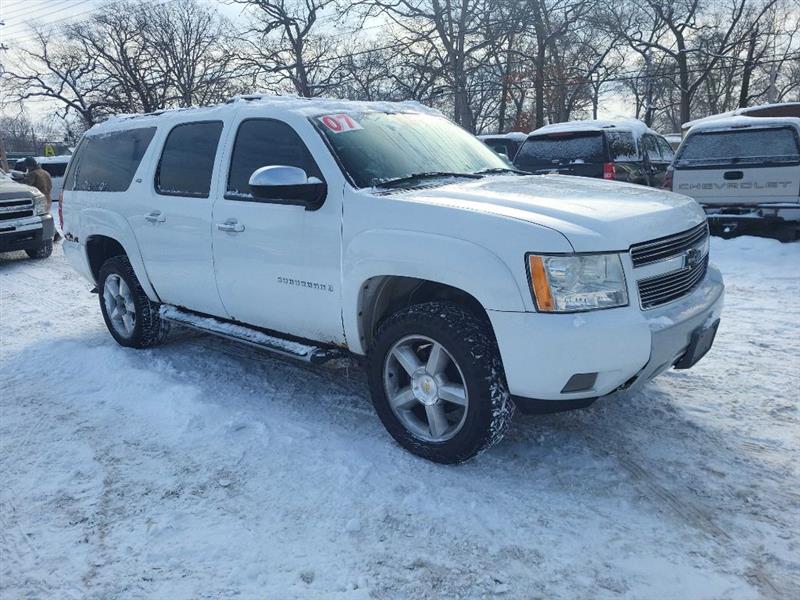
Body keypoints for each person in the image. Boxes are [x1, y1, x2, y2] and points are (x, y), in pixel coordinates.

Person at [21, 157, 60, 241]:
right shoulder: (45, 172)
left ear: (30, 166)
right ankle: (56, 233)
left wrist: (20, 180)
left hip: (39, 199)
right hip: (48, 197)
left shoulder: (33, 174)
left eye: (27, 167)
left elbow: (25, 186)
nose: (27, 168)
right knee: (46, 217)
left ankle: (48, 235)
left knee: (40, 219)